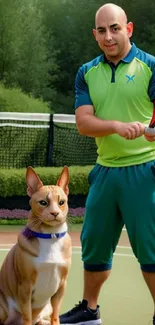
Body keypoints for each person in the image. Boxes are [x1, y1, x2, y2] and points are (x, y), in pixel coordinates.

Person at [60, 3, 155, 324]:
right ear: (95, 35)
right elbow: (84, 123)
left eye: (114, 28)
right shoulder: (86, 72)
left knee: (151, 249)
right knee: (94, 243)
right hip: (105, 171)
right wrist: (115, 125)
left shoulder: (151, 67)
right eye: (102, 30)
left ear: (128, 29)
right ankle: (89, 309)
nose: (108, 36)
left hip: (146, 171)